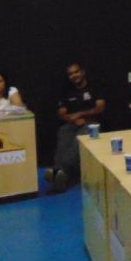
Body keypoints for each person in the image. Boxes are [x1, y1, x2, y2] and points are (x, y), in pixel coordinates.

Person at [46, 63, 106, 192]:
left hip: (91, 124)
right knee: (63, 135)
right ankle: (60, 174)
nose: (74, 75)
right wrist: (72, 119)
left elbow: (100, 107)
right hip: (72, 123)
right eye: (71, 74)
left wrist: (81, 114)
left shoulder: (95, 86)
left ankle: (59, 171)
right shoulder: (66, 91)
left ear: (82, 72)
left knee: (78, 140)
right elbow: (61, 112)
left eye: (76, 72)